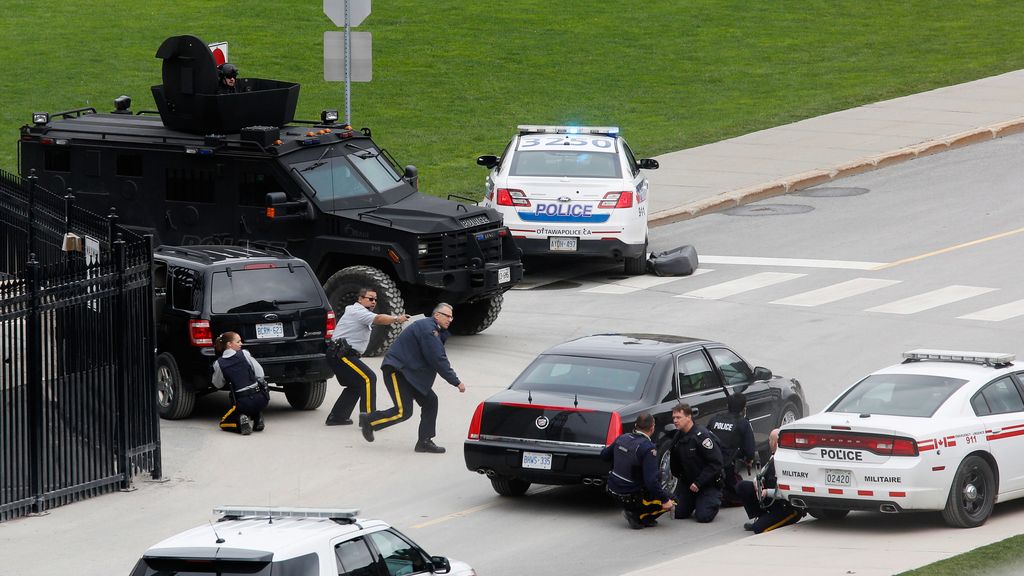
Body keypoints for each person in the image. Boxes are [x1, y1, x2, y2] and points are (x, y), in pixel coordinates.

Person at [358, 303, 465, 453]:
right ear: (437, 315)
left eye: (451, 316)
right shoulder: (429, 330)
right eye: (447, 316)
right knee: (403, 411)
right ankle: (369, 420)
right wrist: (456, 381)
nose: (450, 319)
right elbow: (437, 358)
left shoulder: (434, 329)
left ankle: (424, 441)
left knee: (430, 401)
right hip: (397, 370)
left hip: (410, 373)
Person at [324, 288, 409, 426]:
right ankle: (369, 419)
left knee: (356, 384)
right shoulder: (357, 311)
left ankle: (337, 417)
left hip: (342, 354)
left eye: (375, 299)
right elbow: (379, 319)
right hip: (341, 354)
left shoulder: (360, 312)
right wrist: (397, 319)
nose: (373, 302)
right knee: (369, 378)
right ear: (360, 299)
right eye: (370, 298)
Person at [600, 413, 675, 529]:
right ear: (652, 428)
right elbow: (651, 482)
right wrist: (665, 500)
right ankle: (639, 516)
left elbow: (604, 455)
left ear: (635, 425)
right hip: (630, 495)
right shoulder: (648, 448)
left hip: (612, 489)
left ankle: (634, 510)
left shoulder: (622, 438)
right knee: (674, 500)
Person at [738, 428, 805, 533]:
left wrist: (766, 492)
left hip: (786, 507)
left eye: (770, 440)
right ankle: (761, 517)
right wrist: (757, 482)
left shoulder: (786, 462)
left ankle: (765, 523)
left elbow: (788, 491)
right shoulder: (774, 456)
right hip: (774, 501)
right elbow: (763, 472)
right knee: (743, 486)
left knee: (758, 529)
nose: (769, 442)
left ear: (774, 443)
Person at [668, 403, 724, 523]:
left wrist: (699, 483)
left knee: (703, 516)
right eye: (674, 418)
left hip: (706, 483)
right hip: (688, 483)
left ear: (689, 417)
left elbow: (716, 463)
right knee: (677, 513)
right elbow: (674, 457)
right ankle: (693, 501)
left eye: (679, 417)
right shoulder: (678, 436)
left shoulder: (702, 436)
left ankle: (713, 499)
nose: (675, 421)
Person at [212, 331, 268, 435]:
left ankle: (240, 421)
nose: (241, 344)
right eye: (238, 342)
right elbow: (260, 373)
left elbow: (217, 384)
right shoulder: (245, 354)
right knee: (252, 402)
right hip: (262, 399)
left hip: (243, 402)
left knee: (223, 423)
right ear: (229, 344)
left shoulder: (219, 363)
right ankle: (257, 416)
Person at [707, 392, 756, 506]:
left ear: (727, 405)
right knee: (743, 495)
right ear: (744, 408)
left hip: (708, 465)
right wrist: (748, 460)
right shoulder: (743, 423)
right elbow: (750, 451)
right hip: (726, 468)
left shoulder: (714, 419)